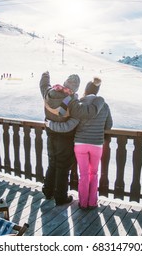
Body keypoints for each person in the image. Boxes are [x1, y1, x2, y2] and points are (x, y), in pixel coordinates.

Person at [40, 71, 104, 206]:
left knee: (52, 163)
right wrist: (99, 102)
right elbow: (89, 113)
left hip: (50, 134)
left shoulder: (49, 93)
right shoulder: (72, 102)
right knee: (63, 167)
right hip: (65, 138)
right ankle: (60, 197)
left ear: (65, 82)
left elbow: (43, 85)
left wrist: (46, 75)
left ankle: (48, 191)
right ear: (76, 88)